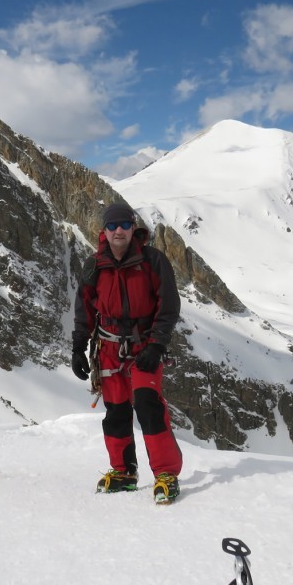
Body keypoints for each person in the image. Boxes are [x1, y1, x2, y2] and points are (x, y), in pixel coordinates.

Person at [71, 202, 183, 504]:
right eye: (112, 225)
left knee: (148, 406)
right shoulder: (94, 266)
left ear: (134, 228)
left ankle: (166, 474)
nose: (118, 230)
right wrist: (78, 347)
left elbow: (168, 305)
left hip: (143, 346)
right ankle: (123, 472)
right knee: (117, 411)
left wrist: (157, 345)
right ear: (103, 232)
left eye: (123, 224)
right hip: (107, 349)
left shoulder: (152, 261)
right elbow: (84, 308)